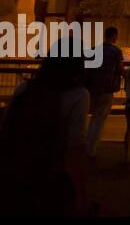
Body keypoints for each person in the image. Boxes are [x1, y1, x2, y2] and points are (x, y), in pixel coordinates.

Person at [0, 47, 89, 215]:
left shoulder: (26, 88)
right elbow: (74, 147)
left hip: (18, 167)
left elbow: (7, 125)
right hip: (52, 171)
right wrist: (81, 193)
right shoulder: (79, 95)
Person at [84, 26, 124, 158]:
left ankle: (86, 144)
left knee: (91, 118)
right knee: (99, 120)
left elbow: (88, 69)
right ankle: (91, 149)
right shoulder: (116, 52)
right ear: (113, 36)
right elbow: (120, 69)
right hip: (107, 89)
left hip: (94, 89)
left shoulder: (95, 50)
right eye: (116, 36)